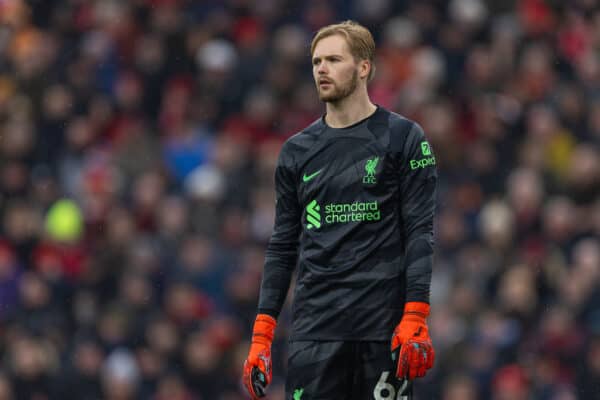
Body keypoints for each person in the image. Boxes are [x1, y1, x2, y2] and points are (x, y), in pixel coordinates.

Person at [242, 20, 437, 399]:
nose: (321, 69)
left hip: (382, 330)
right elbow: (282, 246)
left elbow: (420, 231)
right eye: (316, 62)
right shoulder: (296, 152)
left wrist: (416, 314)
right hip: (315, 332)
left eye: (333, 59)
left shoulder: (403, 138)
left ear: (363, 67)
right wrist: (262, 334)